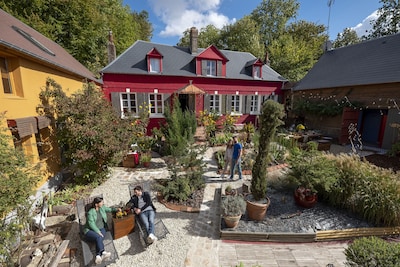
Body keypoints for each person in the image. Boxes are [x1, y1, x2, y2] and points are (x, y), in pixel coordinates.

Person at [83, 197, 120, 265]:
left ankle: (98, 256)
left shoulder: (102, 208)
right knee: (98, 237)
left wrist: (116, 210)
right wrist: (98, 231)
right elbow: (91, 224)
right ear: (97, 204)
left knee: (99, 238)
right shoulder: (90, 212)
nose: (103, 203)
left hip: (102, 228)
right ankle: (103, 252)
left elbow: (109, 209)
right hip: (89, 231)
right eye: (101, 202)